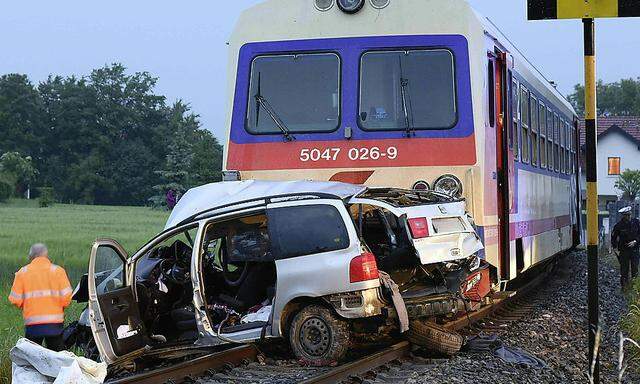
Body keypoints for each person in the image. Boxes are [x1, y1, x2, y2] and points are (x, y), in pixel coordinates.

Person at [8, 243, 73, 351]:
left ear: (31, 256)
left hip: (33, 325)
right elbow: (67, 298)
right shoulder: (58, 271)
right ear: (46, 255)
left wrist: (29, 306)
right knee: (57, 358)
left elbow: (15, 299)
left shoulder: (22, 272)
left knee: (32, 357)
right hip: (55, 324)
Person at [611, 207, 640, 291]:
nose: (628, 216)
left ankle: (635, 289)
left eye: (629, 214)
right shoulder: (619, 225)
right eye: (626, 215)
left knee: (635, 269)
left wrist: (635, 241)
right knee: (624, 270)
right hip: (624, 250)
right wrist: (615, 248)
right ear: (623, 216)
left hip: (635, 249)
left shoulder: (637, 222)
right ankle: (624, 288)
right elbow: (614, 238)